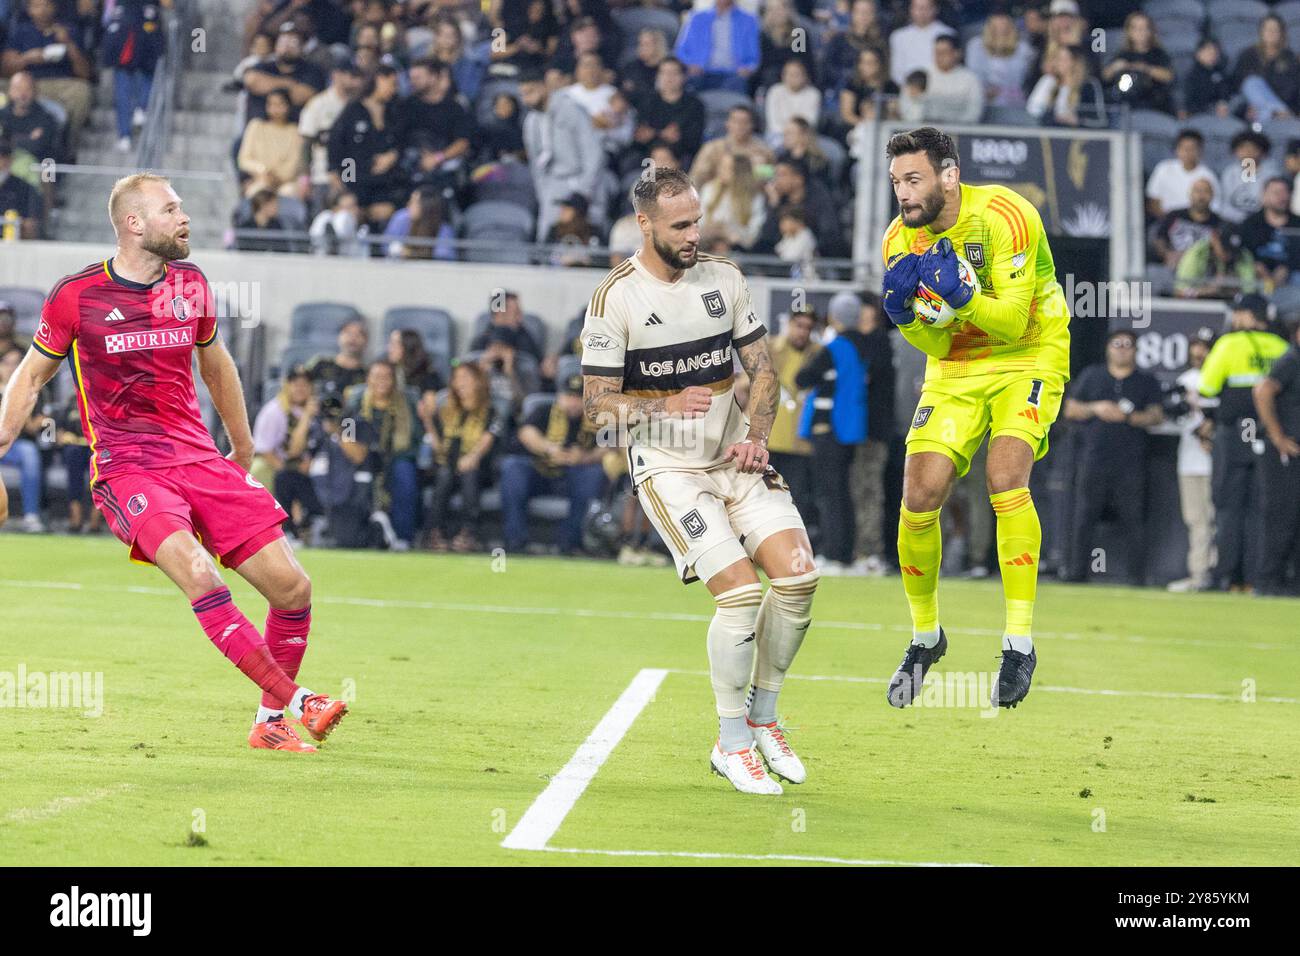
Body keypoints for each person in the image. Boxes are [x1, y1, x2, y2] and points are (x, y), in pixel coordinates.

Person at [0, 173, 347, 753]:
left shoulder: (189, 284)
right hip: (128, 467)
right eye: (171, 209)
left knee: (292, 588)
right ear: (135, 223)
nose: (185, 218)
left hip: (198, 457)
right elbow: (31, 377)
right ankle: (297, 699)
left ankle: (269, 724)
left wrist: (240, 446)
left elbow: (217, 367)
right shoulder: (77, 296)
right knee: (200, 574)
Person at [580, 167, 817, 795]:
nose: (693, 234)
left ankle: (764, 719)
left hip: (734, 457)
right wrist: (663, 407)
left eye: (697, 221)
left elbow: (763, 372)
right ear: (646, 224)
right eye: (680, 225)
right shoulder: (615, 299)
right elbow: (596, 407)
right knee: (739, 595)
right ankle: (732, 741)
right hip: (670, 469)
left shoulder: (725, 278)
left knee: (798, 577)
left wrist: (757, 438)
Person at [880, 126, 1072, 710]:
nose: (903, 195)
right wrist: (904, 317)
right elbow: (934, 346)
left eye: (913, 180)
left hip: (1029, 354)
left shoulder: (1007, 215)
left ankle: (1018, 643)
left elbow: (1013, 323)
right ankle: (925, 638)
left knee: (1005, 476)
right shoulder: (899, 241)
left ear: (949, 175)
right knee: (919, 494)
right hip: (959, 366)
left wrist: (962, 296)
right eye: (895, 183)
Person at [1198, 293, 1289, 591]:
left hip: (1233, 433)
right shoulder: (1283, 348)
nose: (1235, 319)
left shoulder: (1229, 344)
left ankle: (1225, 575)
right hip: (1270, 435)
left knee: (1227, 505)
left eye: (1238, 313)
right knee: (1262, 507)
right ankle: (1257, 577)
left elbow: (1207, 386)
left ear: (1249, 315)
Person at [1061, 330, 1164, 585]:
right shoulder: (1092, 376)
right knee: (1084, 516)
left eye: (1128, 345)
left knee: (1133, 519)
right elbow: (1070, 409)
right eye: (1117, 344)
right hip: (1093, 459)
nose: (1122, 349)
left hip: (1130, 462)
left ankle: (1136, 577)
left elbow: (1157, 416)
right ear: (1108, 348)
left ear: (1136, 350)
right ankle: (1076, 573)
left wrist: (1129, 417)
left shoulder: (1145, 381)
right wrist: (1096, 407)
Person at [794, 292, 870, 571]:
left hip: (829, 428)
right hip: (851, 428)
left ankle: (834, 552)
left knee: (828, 493)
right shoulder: (862, 346)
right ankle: (845, 552)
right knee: (843, 492)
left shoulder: (834, 347)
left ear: (834, 317)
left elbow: (802, 378)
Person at [500, 373, 606, 555]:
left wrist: (584, 458)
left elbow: (610, 447)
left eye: (578, 398)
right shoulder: (544, 411)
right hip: (540, 472)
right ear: (559, 396)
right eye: (569, 396)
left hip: (573, 475)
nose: (573, 402)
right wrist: (549, 448)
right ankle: (515, 540)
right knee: (512, 467)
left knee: (593, 474)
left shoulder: (596, 419)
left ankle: (571, 543)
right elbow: (526, 432)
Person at [519, 66, 608, 241]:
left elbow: (593, 152)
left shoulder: (571, 110)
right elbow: (535, 163)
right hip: (553, 185)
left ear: (543, 86)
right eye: (523, 94)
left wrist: (583, 191)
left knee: (589, 235)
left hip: (583, 182)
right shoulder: (531, 121)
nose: (526, 99)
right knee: (546, 238)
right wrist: (543, 192)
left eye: (530, 92)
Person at [420, 362, 501, 552]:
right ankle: (434, 532)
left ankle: (468, 532)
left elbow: (487, 441)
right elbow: (439, 448)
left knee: (469, 473)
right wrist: (427, 421)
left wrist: (472, 457)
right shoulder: (447, 410)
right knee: (445, 474)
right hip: (447, 466)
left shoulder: (492, 411)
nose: (460, 383)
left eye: (466, 378)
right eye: (457, 378)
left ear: (479, 382)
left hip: (479, 468)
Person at [346, 360, 422, 551]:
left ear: (394, 381)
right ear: (368, 379)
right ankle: (359, 533)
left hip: (396, 456)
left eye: (386, 377)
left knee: (404, 471)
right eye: (376, 376)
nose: (381, 381)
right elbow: (346, 432)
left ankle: (403, 536)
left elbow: (416, 438)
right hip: (364, 456)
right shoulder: (354, 402)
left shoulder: (407, 403)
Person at [1, 0, 93, 146]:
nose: (42, 10)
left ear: (54, 7)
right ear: (29, 9)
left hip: (60, 83)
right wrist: (27, 58)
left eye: (46, 5)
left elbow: (85, 74)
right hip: (27, 81)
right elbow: (5, 69)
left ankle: (67, 144)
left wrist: (68, 43)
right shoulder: (20, 31)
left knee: (82, 91)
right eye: (37, 6)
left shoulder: (69, 30)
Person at [1252, 321, 1300, 595]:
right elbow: (1262, 390)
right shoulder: (1292, 359)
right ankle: (1267, 581)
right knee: (1282, 515)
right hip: (1286, 451)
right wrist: (1277, 436)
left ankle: (1292, 582)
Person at [326, 65, 405, 227]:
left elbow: (402, 141)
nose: (394, 89)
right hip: (356, 179)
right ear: (379, 80)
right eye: (392, 83)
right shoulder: (353, 111)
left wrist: (393, 155)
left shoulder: (395, 111)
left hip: (385, 184)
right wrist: (346, 184)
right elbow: (338, 147)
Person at [1168, 333, 1216, 592]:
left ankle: (1215, 574)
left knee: (1215, 518)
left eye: (1205, 347)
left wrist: (1210, 431)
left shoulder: (1219, 376)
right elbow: (1175, 417)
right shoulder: (1184, 380)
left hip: (1216, 460)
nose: (1199, 352)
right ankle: (1198, 575)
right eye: (1196, 346)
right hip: (1189, 459)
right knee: (1195, 519)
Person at [767, 308, 818, 524]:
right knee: (765, 498)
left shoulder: (819, 354)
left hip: (800, 442)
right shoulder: (770, 349)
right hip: (770, 438)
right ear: (788, 324)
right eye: (799, 325)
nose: (802, 332)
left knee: (797, 500)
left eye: (808, 327)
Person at [100, 0, 165, 152]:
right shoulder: (119, 7)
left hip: (145, 32)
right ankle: (124, 134)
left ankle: (142, 108)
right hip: (124, 37)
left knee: (146, 71)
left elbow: (167, 4)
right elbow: (106, 18)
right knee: (123, 89)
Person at [672, 0, 760, 94]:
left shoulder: (748, 20)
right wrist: (690, 65)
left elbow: (754, 56)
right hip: (701, 73)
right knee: (689, 84)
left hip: (734, 74)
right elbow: (680, 50)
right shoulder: (697, 18)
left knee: (738, 84)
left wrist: (747, 68)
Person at [1100, 11, 1173, 116]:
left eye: (1144, 28)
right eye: (1135, 28)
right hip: (1125, 106)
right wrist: (1114, 68)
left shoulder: (1158, 54)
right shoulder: (1122, 54)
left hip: (1154, 106)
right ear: (1128, 31)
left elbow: (1168, 76)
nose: (1140, 32)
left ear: (1150, 31)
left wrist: (1146, 69)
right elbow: (1104, 76)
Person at [237, 89, 307, 198]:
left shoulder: (295, 131)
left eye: (280, 104)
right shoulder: (256, 126)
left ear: (288, 106)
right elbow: (244, 159)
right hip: (260, 179)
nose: (275, 109)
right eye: (271, 104)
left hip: (286, 183)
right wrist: (263, 170)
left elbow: (294, 164)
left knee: (288, 194)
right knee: (257, 193)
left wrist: (276, 177)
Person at [688, 104, 773, 188]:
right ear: (727, 123)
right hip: (717, 195)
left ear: (752, 125)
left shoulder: (763, 151)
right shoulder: (712, 148)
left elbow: (769, 181)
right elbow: (696, 177)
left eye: (744, 122)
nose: (739, 126)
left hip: (752, 196)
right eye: (735, 121)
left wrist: (758, 171)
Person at [1025, 43, 1105, 129]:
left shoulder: (1088, 85)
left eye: (1063, 59)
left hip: (1078, 136)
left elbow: (1100, 121)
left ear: (1075, 62)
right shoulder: (1049, 82)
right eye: (1057, 59)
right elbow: (1033, 110)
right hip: (1050, 132)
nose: (1058, 63)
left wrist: (1078, 121)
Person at [1146, 130, 1220, 220]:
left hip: (1196, 225)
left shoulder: (1208, 175)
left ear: (1200, 150)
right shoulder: (1163, 168)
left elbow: (1214, 207)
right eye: (1184, 148)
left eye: (1192, 148)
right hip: (1165, 222)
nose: (1188, 152)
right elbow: (1153, 201)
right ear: (1176, 149)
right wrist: (1167, 223)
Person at [965, 12, 1033, 109]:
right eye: (995, 28)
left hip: (1013, 100)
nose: (1000, 30)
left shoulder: (1024, 49)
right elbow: (973, 74)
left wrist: (1002, 92)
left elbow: (1020, 78)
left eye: (1005, 26)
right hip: (982, 99)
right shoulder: (975, 45)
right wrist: (985, 90)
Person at [698, 152, 765, 251]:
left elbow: (752, 235)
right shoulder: (709, 189)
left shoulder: (755, 198)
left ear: (739, 173)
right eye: (721, 166)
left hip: (737, 249)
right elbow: (699, 221)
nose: (720, 171)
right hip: (706, 245)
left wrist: (727, 231)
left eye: (726, 168)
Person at [1152, 176, 1219, 270]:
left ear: (1212, 195)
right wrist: (1167, 254)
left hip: (1202, 269)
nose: (1201, 196)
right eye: (1198, 191)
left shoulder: (1219, 223)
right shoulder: (1174, 216)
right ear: (1190, 194)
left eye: (1206, 191)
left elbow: (1221, 253)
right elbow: (1159, 238)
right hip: (1173, 266)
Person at [888, 0, 955, 88]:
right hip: (909, 89)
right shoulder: (898, 36)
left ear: (935, 9)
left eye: (926, 7)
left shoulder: (948, 33)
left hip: (941, 88)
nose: (922, 11)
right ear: (911, 9)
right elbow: (896, 71)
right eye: (918, 7)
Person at [1218, 132, 1280, 225]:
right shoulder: (1229, 173)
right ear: (1236, 151)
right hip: (1231, 222)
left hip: (1262, 224)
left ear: (1262, 152)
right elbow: (1224, 204)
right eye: (1243, 148)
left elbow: (1272, 205)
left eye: (1253, 148)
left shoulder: (1271, 175)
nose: (1248, 152)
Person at [307, 317, 369, 402]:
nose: (353, 339)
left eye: (359, 335)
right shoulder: (320, 363)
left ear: (366, 341)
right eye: (348, 333)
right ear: (339, 337)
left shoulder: (368, 374)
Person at [764, 59, 821, 150]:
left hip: (803, 136)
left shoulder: (813, 94)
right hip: (777, 134)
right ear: (783, 76)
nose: (793, 77)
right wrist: (788, 135)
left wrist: (796, 136)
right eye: (789, 74)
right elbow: (773, 121)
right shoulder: (775, 91)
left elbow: (810, 121)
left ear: (805, 76)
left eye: (797, 74)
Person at [0, 138, 43, 239]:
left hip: (11, 239)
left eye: (2, 158)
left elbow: (30, 223)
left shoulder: (24, 188)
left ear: (9, 160)